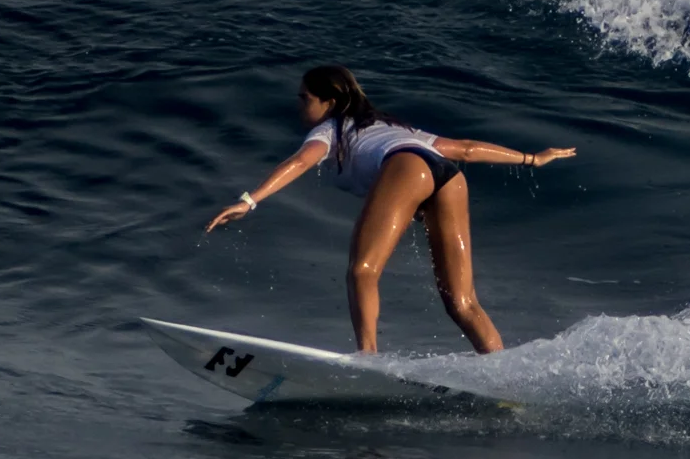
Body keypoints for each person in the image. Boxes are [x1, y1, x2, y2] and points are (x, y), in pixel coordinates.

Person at [206, 65, 575, 353]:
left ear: (328, 103)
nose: (300, 104)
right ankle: (500, 373)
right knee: (461, 301)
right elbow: (464, 150)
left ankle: (368, 357)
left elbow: (301, 162)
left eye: (305, 98)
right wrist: (531, 159)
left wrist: (249, 200)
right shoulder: (389, 124)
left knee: (362, 271)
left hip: (408, 167)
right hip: (449, 178)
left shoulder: (332, 128)